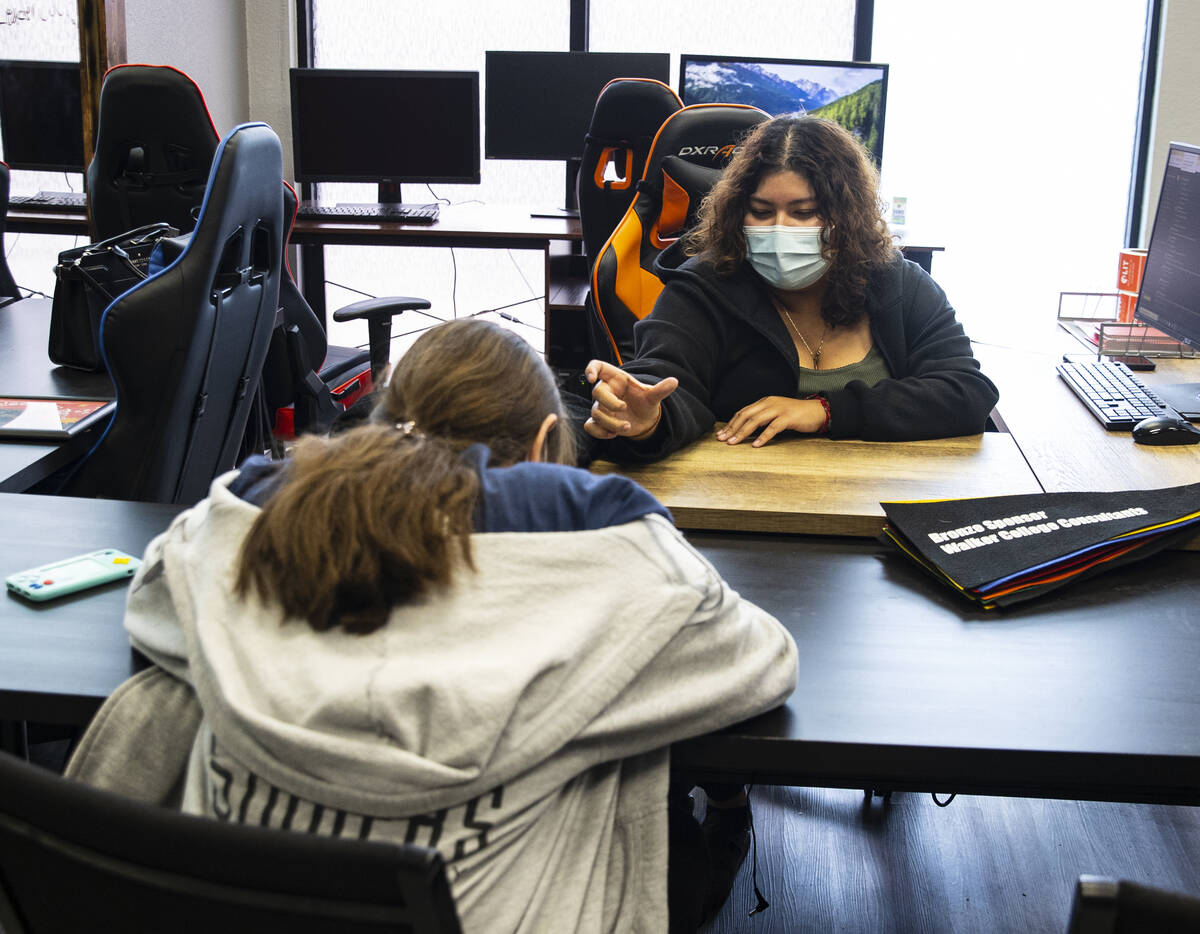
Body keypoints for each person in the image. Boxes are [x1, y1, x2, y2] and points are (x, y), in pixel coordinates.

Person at [66, 319, 798, 934]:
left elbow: (154, 609)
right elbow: (760, 664)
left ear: (380, 426)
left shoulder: (227, 539)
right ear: (545, 446)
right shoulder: (611, 567)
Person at [583, 115, 1000, 462]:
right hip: (744, 509)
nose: (780, 229)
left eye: (804, 213)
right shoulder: (704, 285)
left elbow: (966, 391)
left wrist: (825, 412)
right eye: (762, 212)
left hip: (884, 505)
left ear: (846, 216)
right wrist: (648, 419)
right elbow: (667, 381)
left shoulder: (898, 282)